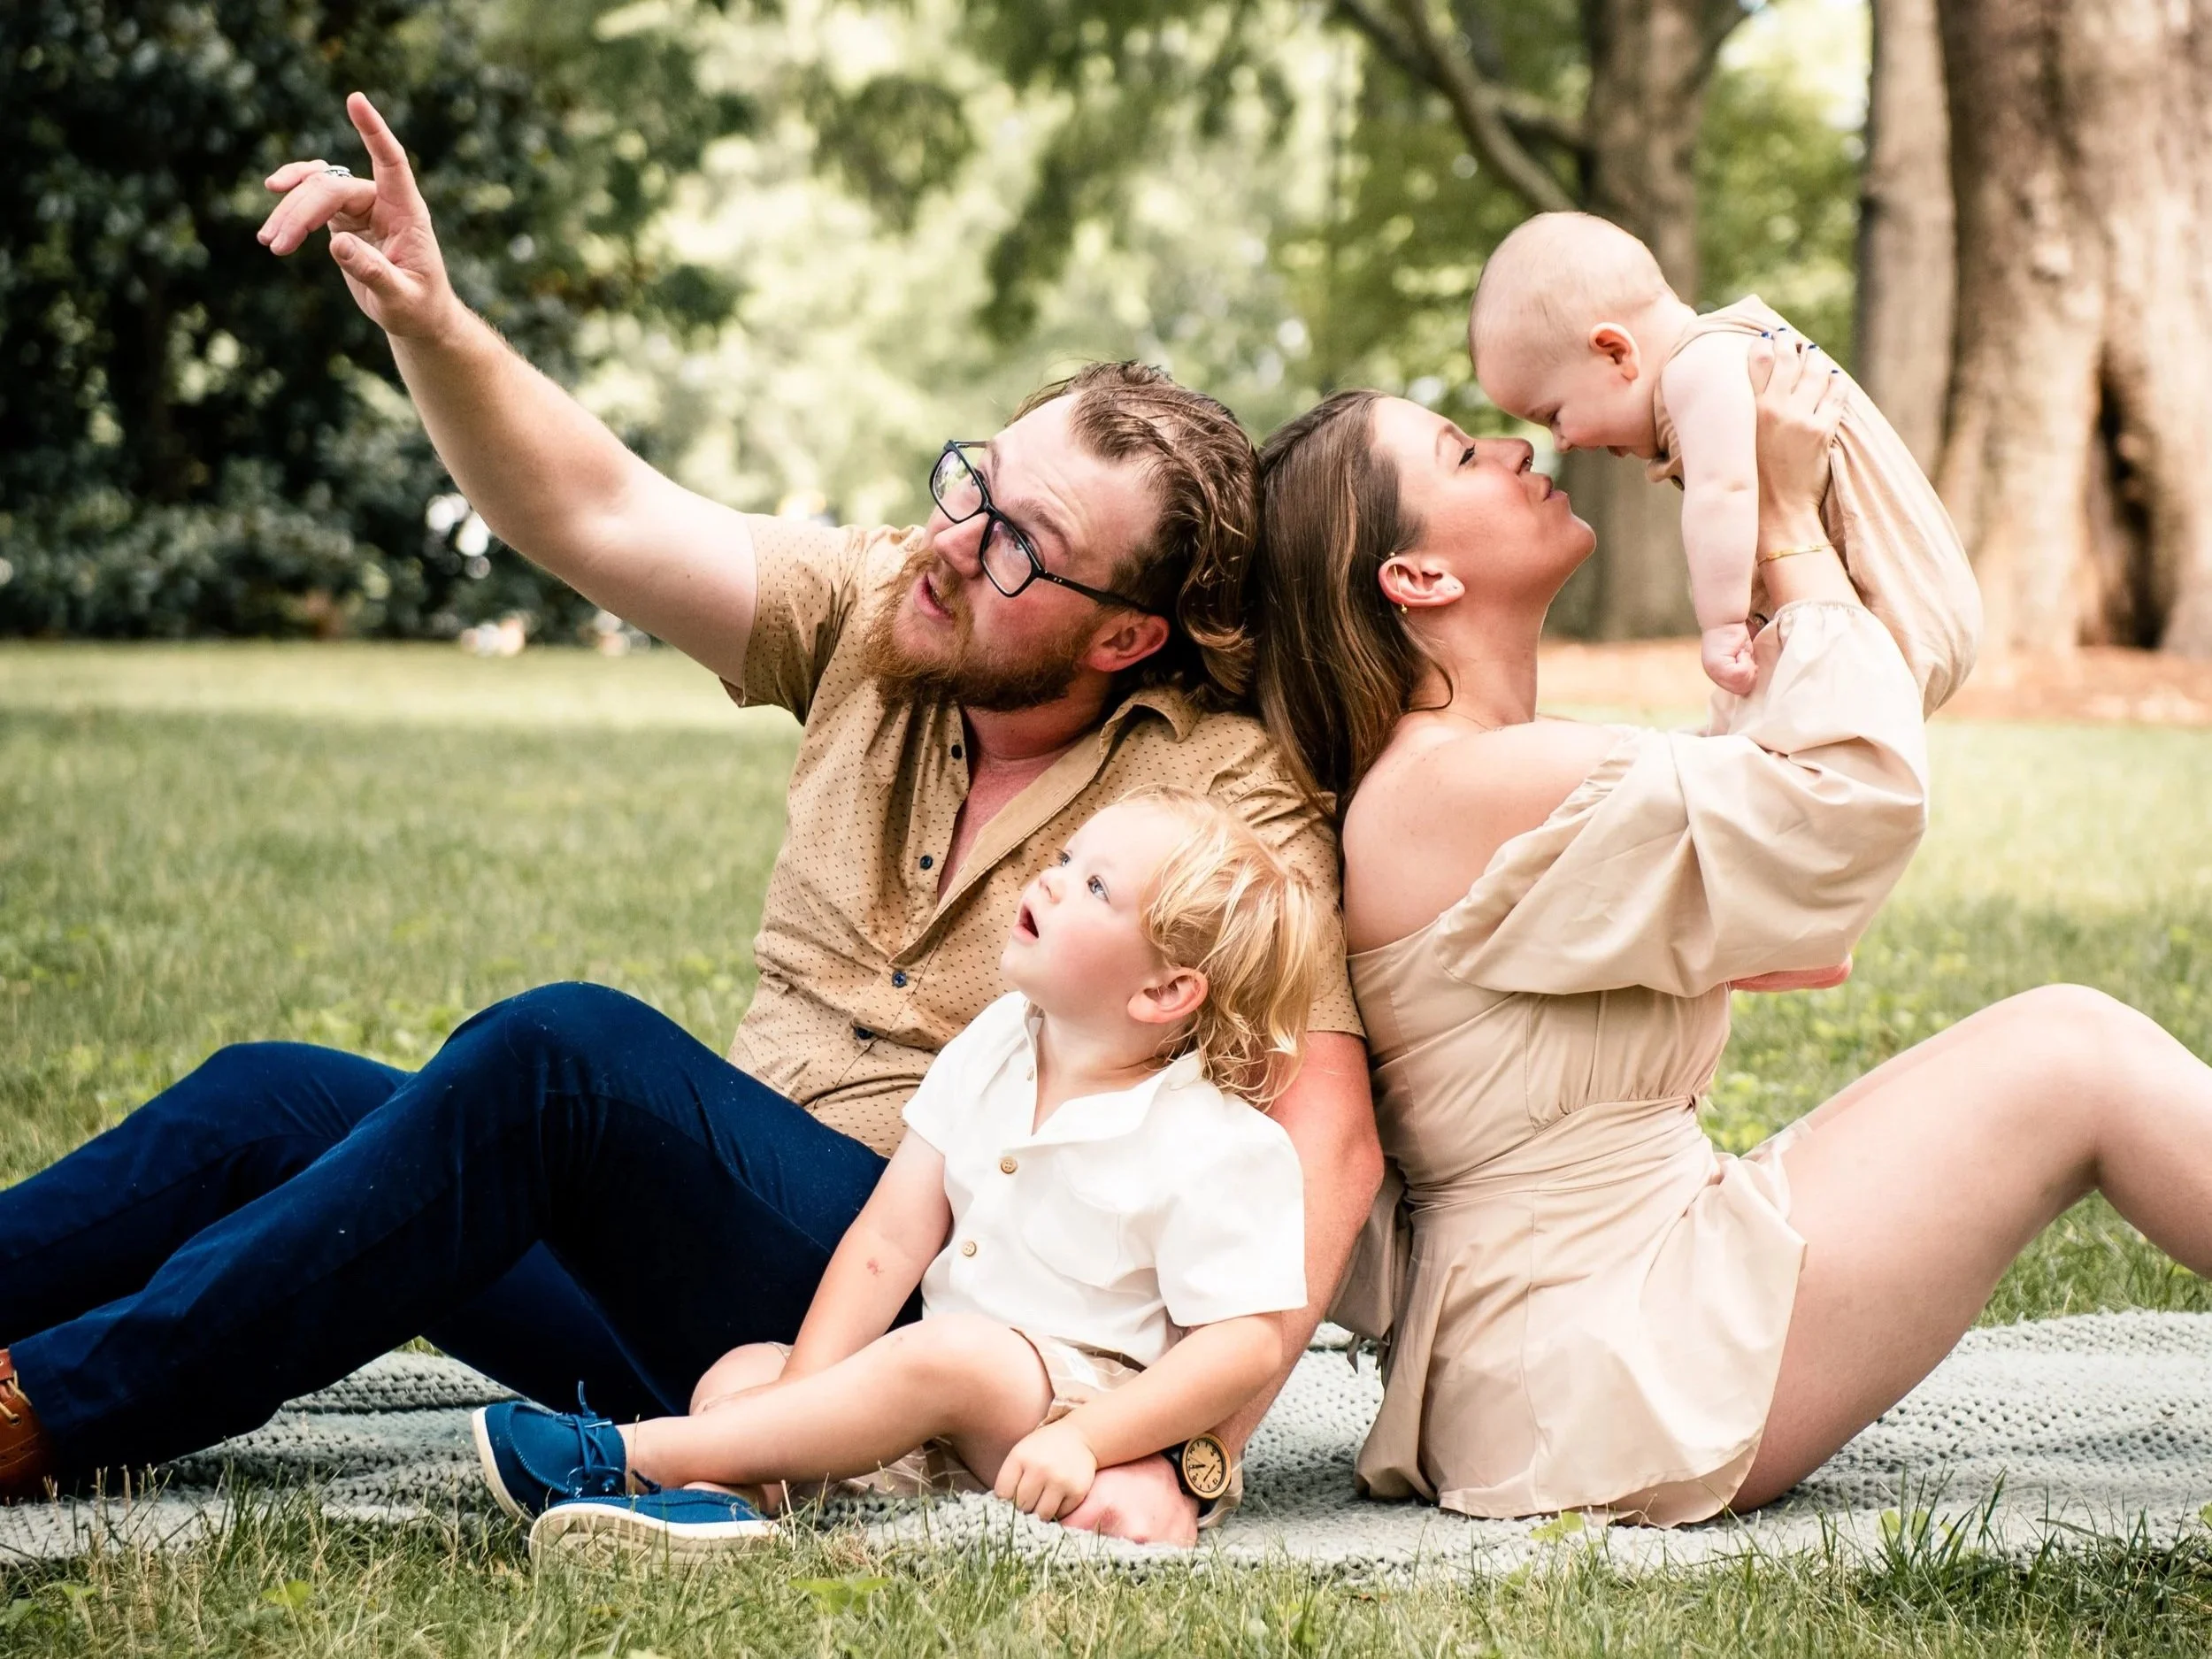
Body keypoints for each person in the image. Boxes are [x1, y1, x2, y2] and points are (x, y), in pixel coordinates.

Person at [0, 95, 1384, 1549]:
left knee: (566, 1058)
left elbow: (1330, 1144)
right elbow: (596, 510)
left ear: (1124, 637)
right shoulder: (880, 609)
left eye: (1020, 546)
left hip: (926, 1312)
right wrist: (433, 323)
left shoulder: (1213, 792)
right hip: (715, 1296)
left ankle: (52, 1406)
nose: (953, 543)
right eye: (972, 483)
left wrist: (1185, 1461)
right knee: (271, 1101)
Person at [1251, 336, 2212, 1523]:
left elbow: (1798, 926)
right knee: (2077, 1053)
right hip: (1603, 1363)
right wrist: (1788, 529)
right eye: (1460, 455)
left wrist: (1747, 519)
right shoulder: (1458, 786)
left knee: (2065, 1045)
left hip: (1571, 1346)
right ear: (1417, 577)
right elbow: (1845, 806)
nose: (1512, 448)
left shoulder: (1465, 778)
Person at [481, 789, 1320, 1559]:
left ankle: (629, 1452)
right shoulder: (997, 1041)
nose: (1053, 880)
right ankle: (720, 1506)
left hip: (1089, 1424)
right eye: (1067, 858)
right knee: (744, 1372)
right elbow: (889, 1237)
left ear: (1164, 992)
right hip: (944, 1406)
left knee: (953, 1354)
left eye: (1096, 887)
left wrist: (1089, 1439)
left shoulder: (1215, 1142)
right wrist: (797, 1393)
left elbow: (1244, 1343)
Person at [1468, 211, 1979, 709]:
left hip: (1900, 602)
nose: (1560, 443)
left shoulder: (1698, 366)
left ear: (1616, 352)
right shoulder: (1714, 362)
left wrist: (1722, 623)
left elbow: (1724, 493)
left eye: (1554, 415)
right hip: (1897, 607)